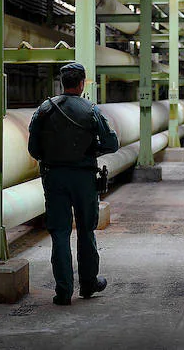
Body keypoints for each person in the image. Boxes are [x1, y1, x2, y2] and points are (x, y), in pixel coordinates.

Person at [28, 62, 119, 306]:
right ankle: (88, 284)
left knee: (60, 233)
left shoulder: (45, 109)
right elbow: (112, 143)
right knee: (86, 231)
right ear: (81, 84)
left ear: (62, 82)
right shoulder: (91, 110)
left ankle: (63, 292)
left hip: (54, 178)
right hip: (83, 178)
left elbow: (33, 149)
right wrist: (91, 152)